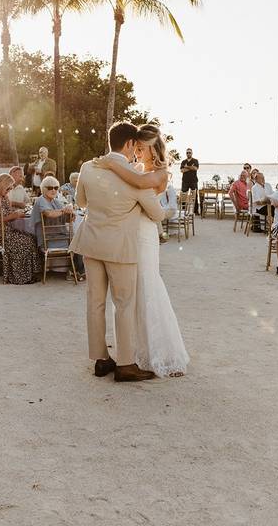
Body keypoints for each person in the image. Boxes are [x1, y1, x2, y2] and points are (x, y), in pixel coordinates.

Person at [86, 123, 187, 379]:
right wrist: (118, 165)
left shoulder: (157, 174)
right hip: (126, 237)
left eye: (144, 149)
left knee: (146, 287)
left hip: (143, 235)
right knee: (129, 296)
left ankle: (156, 352)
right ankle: (129, 355)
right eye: (137, 147)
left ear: (155, 150)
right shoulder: (133, 169)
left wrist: (111, 163)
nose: (139, 153)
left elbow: (140, 185)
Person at [0, 173, 42, 285]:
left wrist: (20, 214)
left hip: (7, 231)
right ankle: (19, 277)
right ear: (1, 185)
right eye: (8, 187)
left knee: (32, 238)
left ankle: (29, 274)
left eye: (11, 188)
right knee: (25, 241)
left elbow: (9, 214)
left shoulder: (4, 198)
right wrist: (13, 216)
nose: (10, 190)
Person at [32, 175, 85, 278]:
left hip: (57, 236)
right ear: (43, 188)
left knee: (79, 239)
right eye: (50, 188)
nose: (53, 190)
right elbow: (49, 214)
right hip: (48, 239)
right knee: (78, 241)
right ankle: (77, 272)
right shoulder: (41, 200)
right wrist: (63, 210)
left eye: (56, 188)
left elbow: (66, 219)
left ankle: (75, 270)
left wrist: (71, 214)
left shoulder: (55, 201)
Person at [179, 148, 199, 214]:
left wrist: (186, 167)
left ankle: (196, 211)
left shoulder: (195, 160)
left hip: (194, 181)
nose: (188, 154)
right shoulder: (183, 161)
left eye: (189, 152)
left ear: (192, 153)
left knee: (195, 196)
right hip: (185, 181)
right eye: (187, 152)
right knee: (183, 196)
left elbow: (195, 168)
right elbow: (182, 170)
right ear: (186, 153)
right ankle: (183, 211)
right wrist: (191, 167)